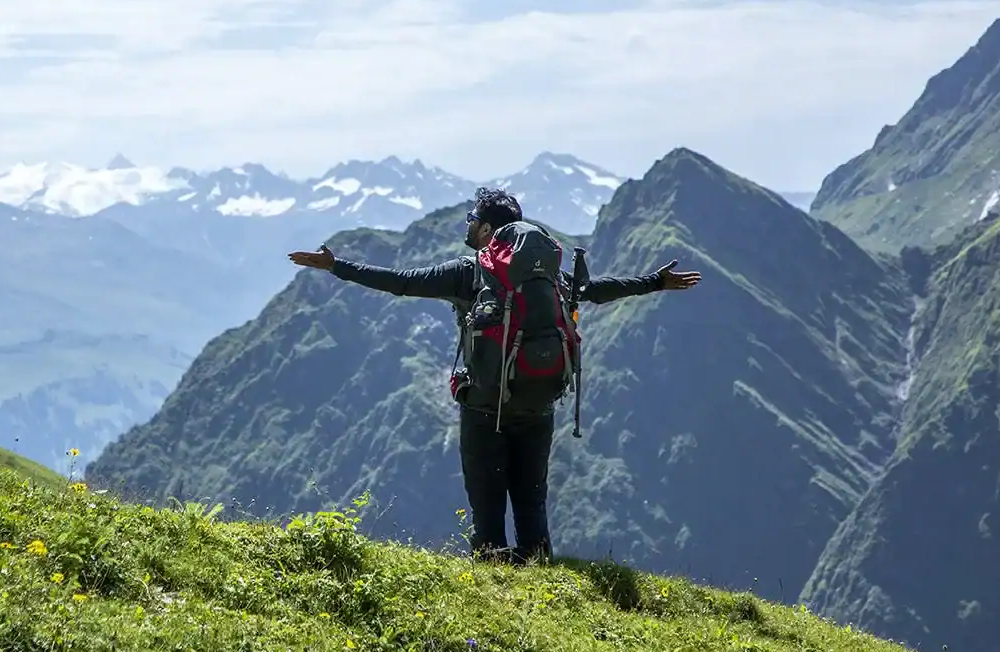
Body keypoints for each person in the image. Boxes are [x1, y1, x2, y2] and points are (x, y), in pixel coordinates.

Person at [287, 186, 701, 566]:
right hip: (539, 404)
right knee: (531, 504)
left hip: (485, 407)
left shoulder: (468, 273)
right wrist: (654, 282)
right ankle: (541, 587)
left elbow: (401, 283)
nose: (468, 225)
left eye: (472, 219)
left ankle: (493, 585)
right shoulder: (544, 276)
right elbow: (594, 290)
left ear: (486, 228)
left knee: (487, 511)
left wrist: (336, 266)